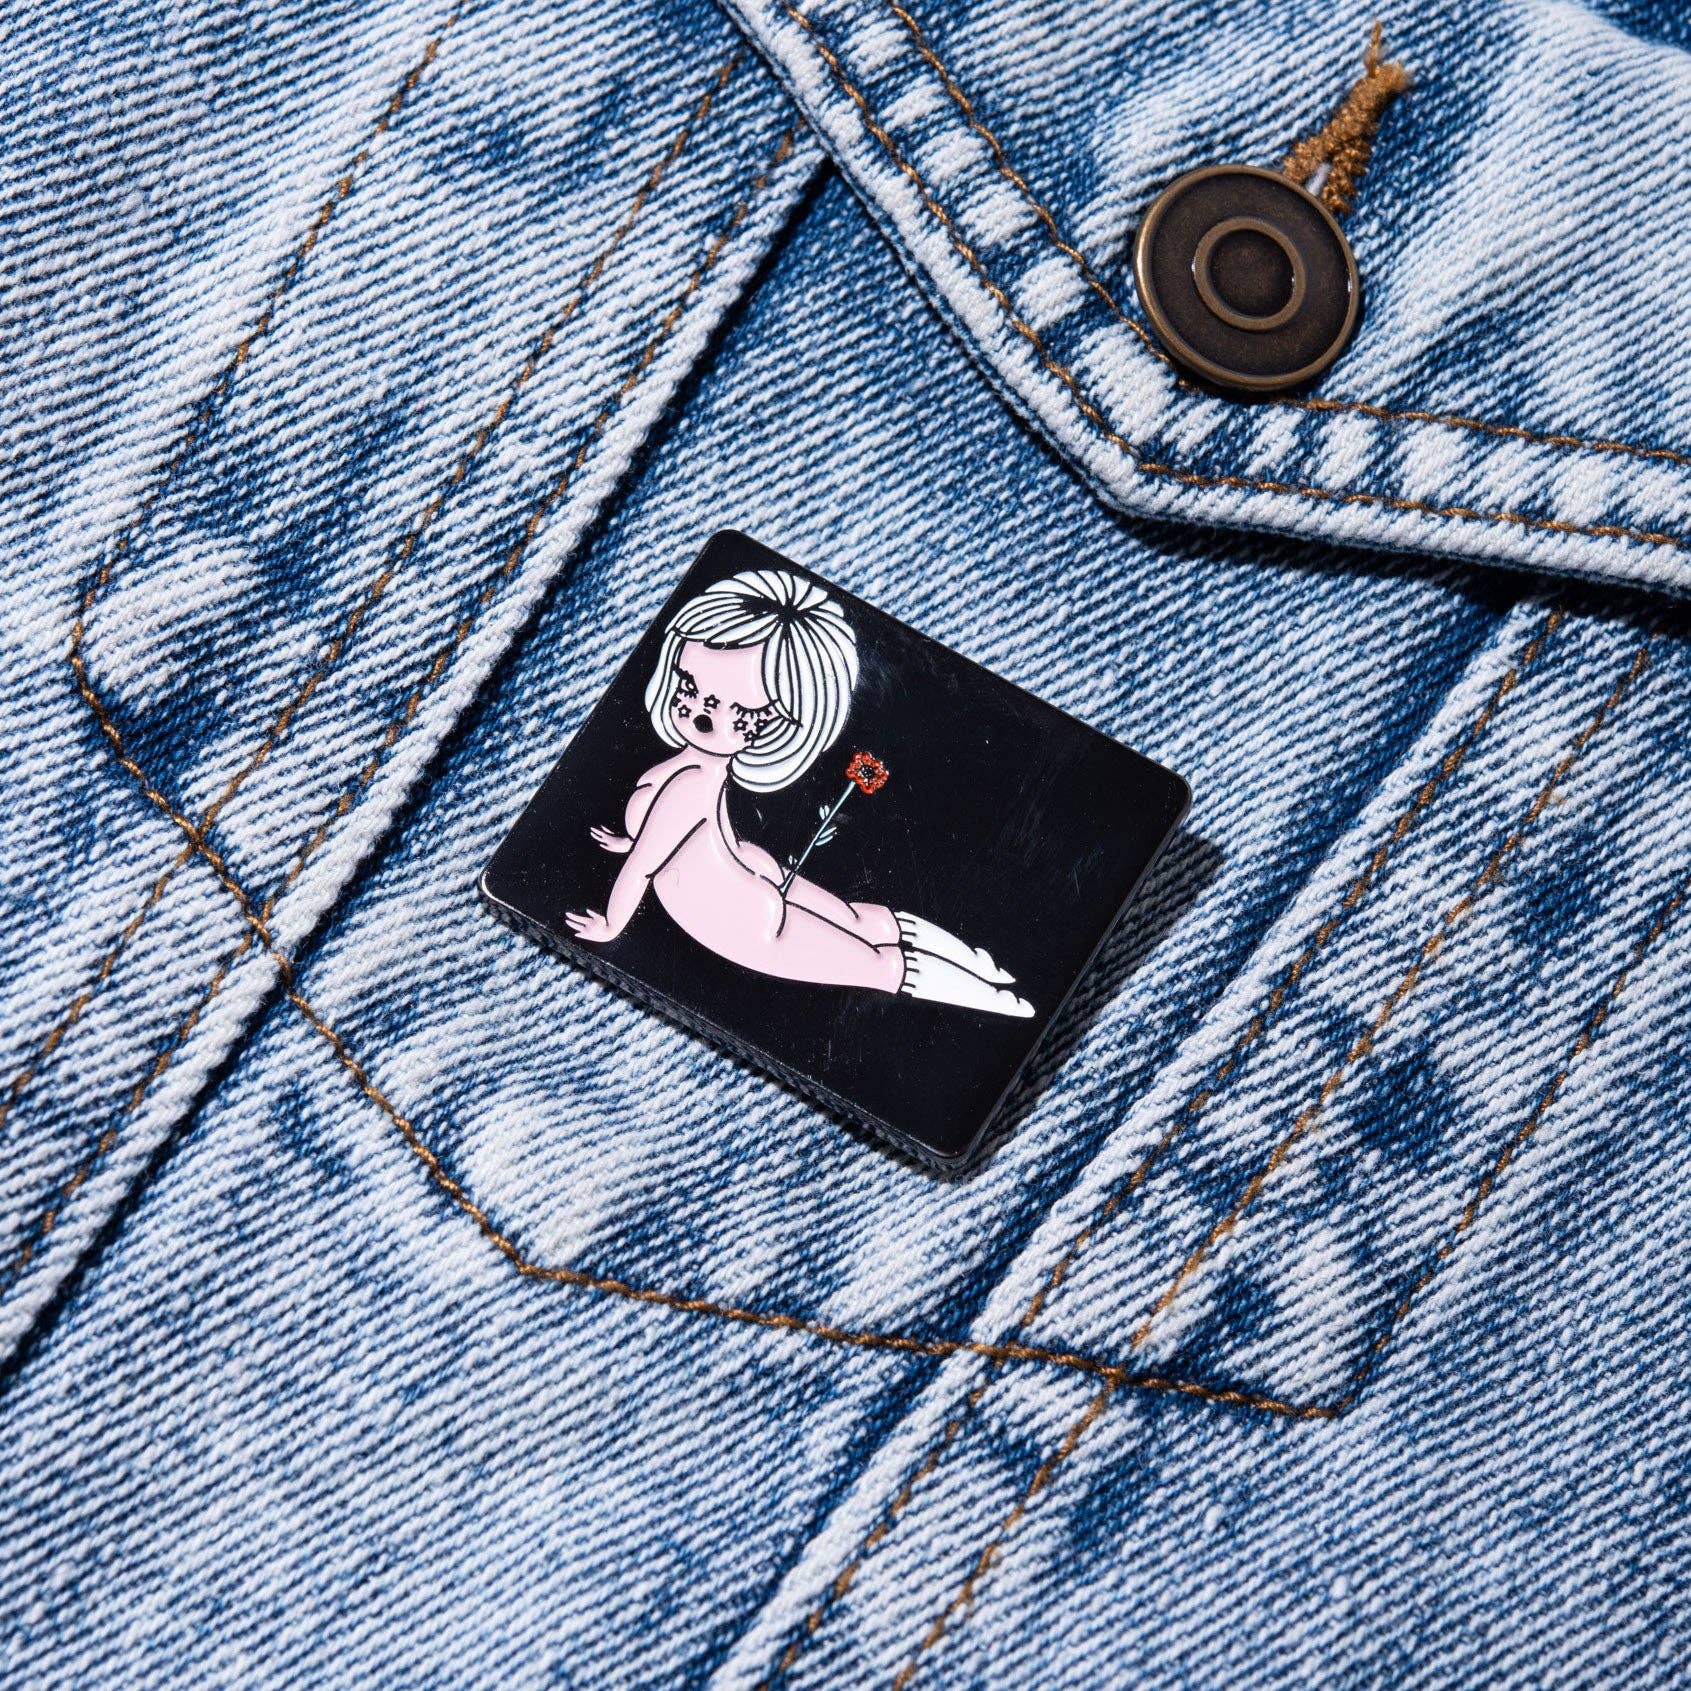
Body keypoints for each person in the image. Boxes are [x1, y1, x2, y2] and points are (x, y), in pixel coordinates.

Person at [565, 567, 1033, 1017]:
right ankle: (986, 973)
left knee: (878, 965)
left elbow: (646, 864)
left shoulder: (690, 781)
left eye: (737, 709)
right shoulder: (700, 770)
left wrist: (611, 925)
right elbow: (677, 835)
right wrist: (630, 840)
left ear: (771, 724)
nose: (700, 710)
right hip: (744, 883)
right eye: (690, 686)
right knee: (862, 925)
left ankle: (1003, 1001)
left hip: (741, 921)